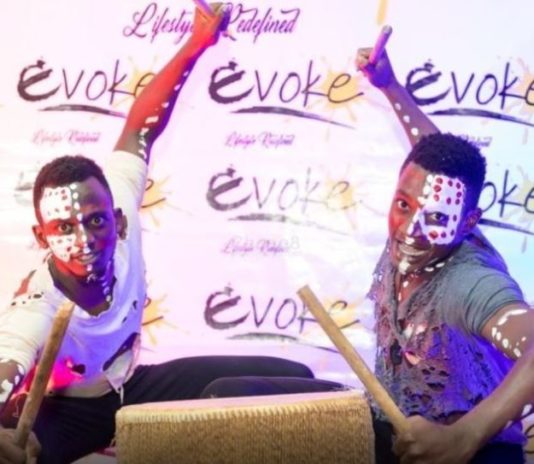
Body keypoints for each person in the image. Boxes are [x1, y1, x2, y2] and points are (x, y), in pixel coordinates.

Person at [0, 5, 313, 463]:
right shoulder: (37, 302)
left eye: (96, 221)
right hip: (65, 411)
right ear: (41, 236)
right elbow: (10, 356)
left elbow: (140, 126)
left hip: (133, 390)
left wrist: (196, 42)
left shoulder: (120, 200)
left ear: (120, 220)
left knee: (294, 381)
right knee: (20, 453)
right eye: (64, 228)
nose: (84, 239)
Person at [201, 48, 534, 464]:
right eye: (403, 206)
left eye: (435, 218)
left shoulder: (472, 284)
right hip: (392, 427)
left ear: (469, 223)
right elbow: (431, 160)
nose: (410, 230)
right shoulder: (433, 202)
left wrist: (464, 437)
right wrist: (390, 87)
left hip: (474, 453)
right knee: (231, 397)